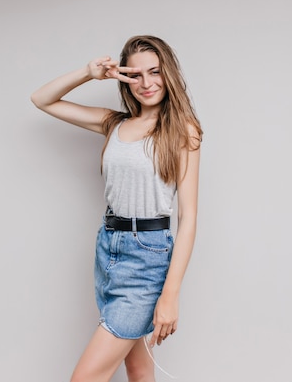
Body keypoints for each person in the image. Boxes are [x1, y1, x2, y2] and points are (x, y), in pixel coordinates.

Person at [30, 35, 202, 382]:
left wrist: (170, 295)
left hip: (146, 259)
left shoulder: (183, 131)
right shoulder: (114, 123)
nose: (147, 83)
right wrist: (89, 73)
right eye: (135, 75)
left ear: (168, 73)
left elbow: (189, 218)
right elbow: (42, 100)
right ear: (124, 78)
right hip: (108, 250)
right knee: (138, 370)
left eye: (154, 72)